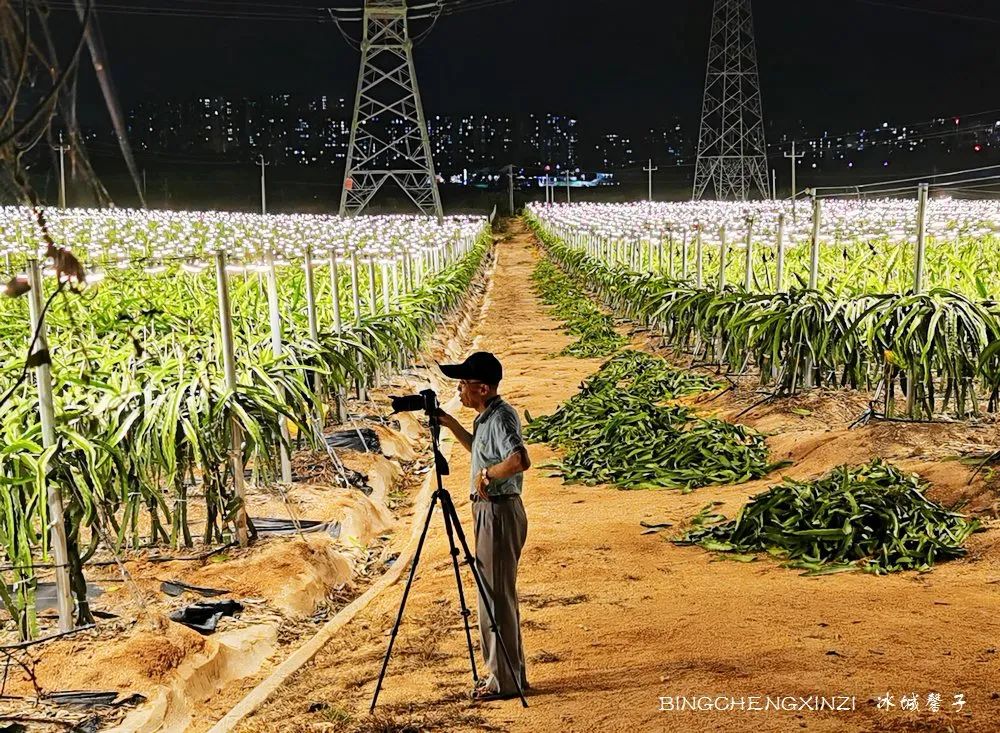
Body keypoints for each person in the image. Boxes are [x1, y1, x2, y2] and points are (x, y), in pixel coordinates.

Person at [436, 351, 531, 702]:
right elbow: (479, 450)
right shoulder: (485, 418)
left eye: (464, 384)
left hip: (498, 512)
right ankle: (510, 674)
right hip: (490, 511)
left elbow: (519, 460)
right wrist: (449, 423)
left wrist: (488, 475)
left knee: (495, 597)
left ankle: (504, 681)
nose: (459, 390)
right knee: (496, 594)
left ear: (484, 388)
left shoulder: (501, 417)